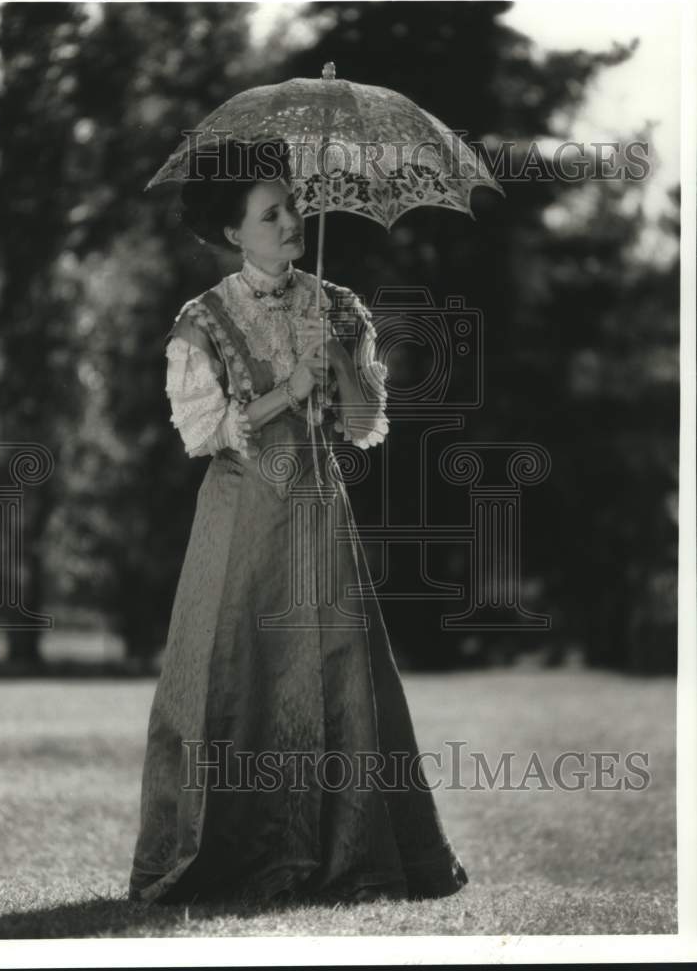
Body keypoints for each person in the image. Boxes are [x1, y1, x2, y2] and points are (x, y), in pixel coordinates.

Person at [129, 139, 468, 906]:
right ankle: (225, 856)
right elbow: (203, 433)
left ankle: (345, 856)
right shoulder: (203, 319)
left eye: (293, 208)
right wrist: (286, 386)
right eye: (270, 213)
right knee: (229, 673)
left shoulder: (337, 305)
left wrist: (339, 361)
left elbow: (364, 423)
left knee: (340, 672)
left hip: (319, 518)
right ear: (232, 232)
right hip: (238, 523)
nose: (291, 223)